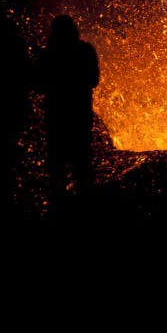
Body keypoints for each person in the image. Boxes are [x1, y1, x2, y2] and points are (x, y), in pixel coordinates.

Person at [36, 15, 99, 209]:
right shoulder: (85, 50)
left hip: (57, 116)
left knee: (57, 165)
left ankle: (59, 207)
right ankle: (85, 204)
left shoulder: (48, 54)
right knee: (82, 162)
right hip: (80, 114)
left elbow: (38, 84)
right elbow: (94, 80)